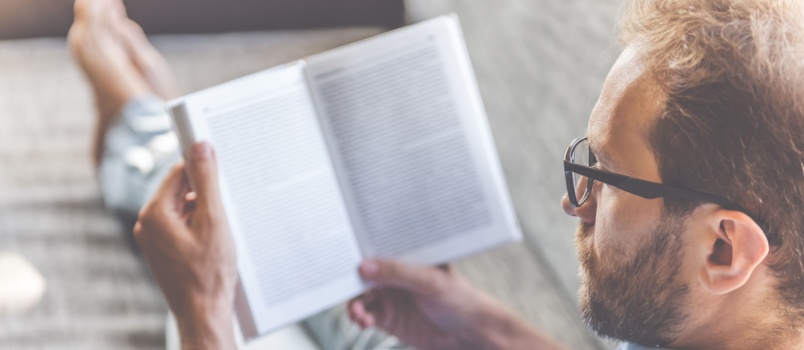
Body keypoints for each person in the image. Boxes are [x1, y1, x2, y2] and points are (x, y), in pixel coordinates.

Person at [70, 0, 804, 348]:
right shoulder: (717, 318)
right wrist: (473, 323)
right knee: (270, 245)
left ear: (724, 248)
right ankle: (143, 127)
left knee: (224, 284)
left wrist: (203, 318)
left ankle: (137, 123)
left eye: (606, 179)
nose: (573, 203)